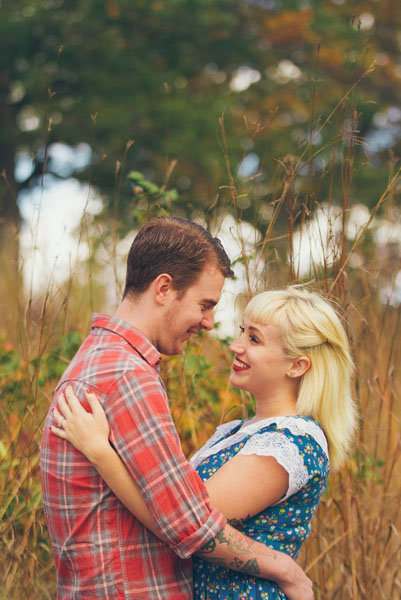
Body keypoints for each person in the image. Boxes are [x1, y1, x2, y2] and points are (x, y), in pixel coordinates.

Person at [40, 217, 314, 600]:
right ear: (164, 288)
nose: (209, 322)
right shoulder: (128, 376)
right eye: (204, 305)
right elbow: (189, 522)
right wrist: (284, 568)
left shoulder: (97, 360)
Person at [51, 285, 357, 599]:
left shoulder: (290, 443)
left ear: (297, 365)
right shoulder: (234, 431)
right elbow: (173, 506)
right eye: (242, 332)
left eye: (254, 338)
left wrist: (101, 453)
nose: (236, 346)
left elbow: (183, 522)